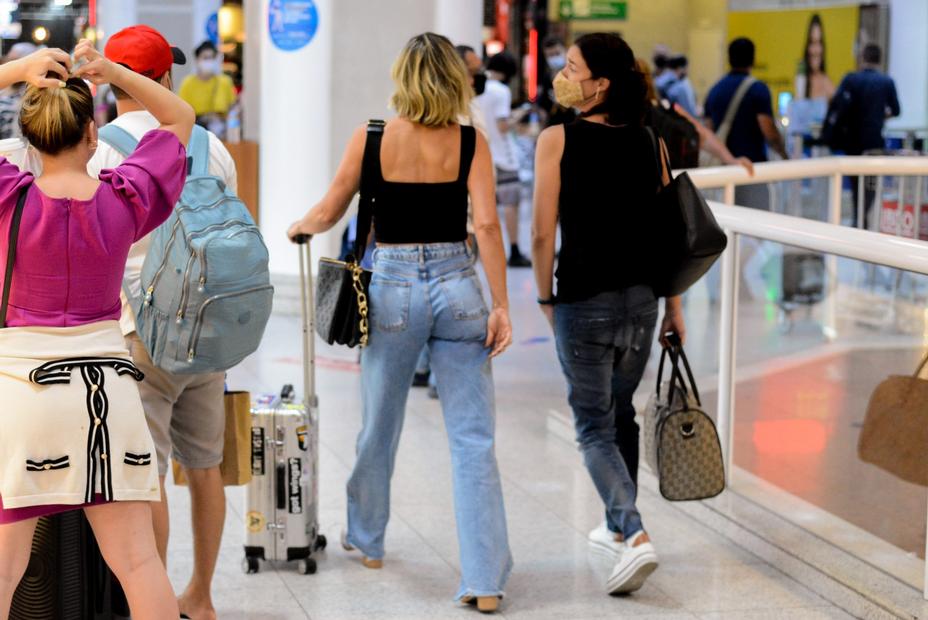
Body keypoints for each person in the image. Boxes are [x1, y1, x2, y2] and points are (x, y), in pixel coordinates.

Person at [287, 33, 513, 613]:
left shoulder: (373, 137)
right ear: (454, 80)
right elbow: (486, 227)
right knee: (472, 439)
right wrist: (500, 304)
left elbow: (332, 206)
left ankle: (368, 540)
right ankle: (484, 580)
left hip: (391, 289)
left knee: (378, 423)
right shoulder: (471, 141)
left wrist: (300, 228)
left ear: (404, 78)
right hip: (458, 281)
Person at [0, 40, 194, 620]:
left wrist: (17, 70)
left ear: (30, 140)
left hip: (24, 394)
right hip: (108, 394)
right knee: (138, 564)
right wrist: (112, 73)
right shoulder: (124, 199)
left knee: (6, 570)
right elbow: (179, 117)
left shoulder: (9, 200)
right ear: (93, 139)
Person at [86, 25, 237, 620]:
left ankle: (150, 602)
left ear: (106, 83)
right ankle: (199, 596)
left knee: (145, 471)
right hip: (210, 326)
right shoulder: (210, 145)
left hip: (140, 329)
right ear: (168, 79)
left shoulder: (101, 151)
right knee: (204, 466)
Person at [532, 32, 684, 596]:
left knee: (594, 428)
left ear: (601, 84)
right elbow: (672, 234)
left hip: (584, 302)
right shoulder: (650, 141)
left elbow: (543, 229)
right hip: (642, 304)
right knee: (622, 415)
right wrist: (674, 304)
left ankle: (637, 534)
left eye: (572, 67)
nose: (562, 74)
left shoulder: (558, 140)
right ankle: (619, 527)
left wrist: (545, 295)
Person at [704, 37, 787, 210]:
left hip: (722, 171)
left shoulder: (715, 90)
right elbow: (768, 131)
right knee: (754, 227)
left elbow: (708, 130)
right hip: (751, 168)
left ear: (729, 58)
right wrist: (783, 153)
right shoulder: (758, 90)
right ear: (753, 59)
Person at [637, 57, 754, 176]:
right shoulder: (667, 108)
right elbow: (703, 134)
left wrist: (731, 160)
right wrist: (731, 160)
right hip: (674, 182)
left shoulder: (662, 109)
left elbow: (702, 134)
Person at [829, 43, 900, 227]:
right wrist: (879, 115)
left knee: (855, 185)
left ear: (863, 58)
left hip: (852, 141)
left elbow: (837, 107)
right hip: (874, 142)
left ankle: (857, 218)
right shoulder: (886, 82)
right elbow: (896, 110)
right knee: (870, 184)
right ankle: (864, 218)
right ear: (880, 59)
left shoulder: (851, 79)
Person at [477, 51, 532, 267]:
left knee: (482, 204)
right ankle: (515, 249)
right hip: (504, 155)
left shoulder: (477, 88)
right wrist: (518, 115)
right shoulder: (500, 91)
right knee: (510, 203)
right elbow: (502, 126)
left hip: (482, 153)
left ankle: (479, 248)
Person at [178, 40, 236, 138]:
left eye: (212, 57)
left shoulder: (225, 82)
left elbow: (234, 108)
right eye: (205, 58)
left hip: (221, 134)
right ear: (197, 60)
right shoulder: (188, 83)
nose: (209, 61)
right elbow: (182, 112)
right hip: (196, 133)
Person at [0, 43, 37, 139]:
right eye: (9, 61)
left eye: (14, 61)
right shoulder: (3, 89)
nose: (11, 66)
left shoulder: (35, 95)